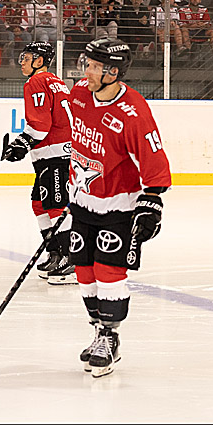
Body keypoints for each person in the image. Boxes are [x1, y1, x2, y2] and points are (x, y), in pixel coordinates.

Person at [67, 38, 171, 377]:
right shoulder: (81, 93)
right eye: (89, 65)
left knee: (108, 271)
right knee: (83, 270)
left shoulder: (134, 112)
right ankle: (97, 329)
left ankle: (111, 338)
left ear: (113, 72)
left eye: (95, 67)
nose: (87, 72)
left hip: (118, 205)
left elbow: (153, 160)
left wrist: (152, 201)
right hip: (83, 200)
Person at [1, 42, 75, 282]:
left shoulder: (36, 82)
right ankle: (55, 253)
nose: (22, 61)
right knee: (39, 204)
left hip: (54, 154)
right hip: (54, 154)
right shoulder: (56, 80)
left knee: (55, 205)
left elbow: (40, 126)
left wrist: (22, 143)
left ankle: (71, 260)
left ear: (40, 61)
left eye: (27, 57)